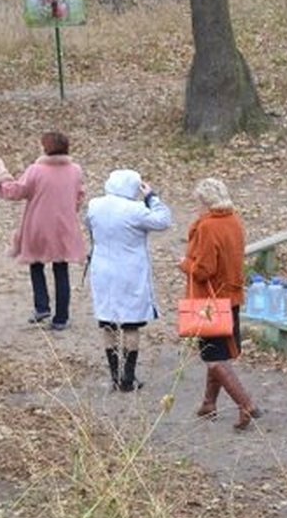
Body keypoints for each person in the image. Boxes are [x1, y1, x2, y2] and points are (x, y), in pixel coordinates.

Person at [180, 177, 261, 430]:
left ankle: (245, 403)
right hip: (231, 296)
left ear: (205, 202)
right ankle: (208, 403)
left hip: (209, 301)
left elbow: (204, 270)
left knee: (214, 357)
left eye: (197, 203)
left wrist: (183, 265)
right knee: (218, 352)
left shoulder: (207, 227)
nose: (196, 208)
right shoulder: (234, 221)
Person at [85, 169, 172, 392]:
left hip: (102, 268)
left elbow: (90, 228)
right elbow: (163, 221)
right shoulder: (136, 210)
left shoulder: (95, 205)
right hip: (130, 270)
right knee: (131, 323)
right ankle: (128, 377)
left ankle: (114, 375)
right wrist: (152, 197)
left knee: (108, 322)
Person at [0, 130, 87, 330]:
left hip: (38, 225)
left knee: (35, 263)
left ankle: (42, 306)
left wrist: (1, 177)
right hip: (64, 226)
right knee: (61, 269)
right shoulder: (75, 170)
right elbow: (79, 195)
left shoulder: (36, 170)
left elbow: (17, 191)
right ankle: (61, 317)